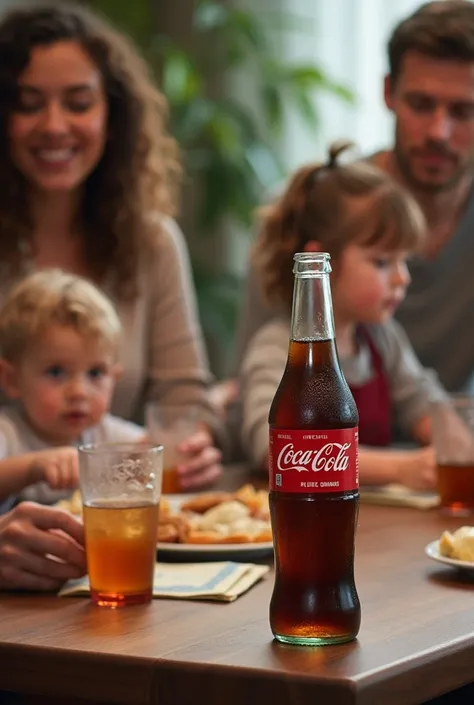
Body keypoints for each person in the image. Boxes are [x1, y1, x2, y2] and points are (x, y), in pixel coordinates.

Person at [0, 2, 222, 492]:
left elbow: (182, 396)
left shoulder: (153, 242)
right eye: (29, 103)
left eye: (78, 103)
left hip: (112, 515)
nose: (55, 126)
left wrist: (191, 446)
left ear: (113, 115)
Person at [235, 0, 474, 400]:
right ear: (388, 92)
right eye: (420, 104)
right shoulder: (305, 211)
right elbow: (262, 399)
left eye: (463, 111)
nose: (438, 131)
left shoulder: (389, 348)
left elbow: (427, 404)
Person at [240, 142, 448, 489]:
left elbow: (425, 406)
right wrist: (402, 469)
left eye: (403, 261)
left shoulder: (382, 338)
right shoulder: (280, 348)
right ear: (320, 260)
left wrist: (453, 439)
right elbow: (273, 447)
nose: (402, 278)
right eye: (382, 262)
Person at [0, 269, 152, 508]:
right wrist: (33, 468)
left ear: (115, 377)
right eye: (56, 372)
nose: (79, 392)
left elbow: (153, 455)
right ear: (11, 380)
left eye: (95, 373)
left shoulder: (105, 435)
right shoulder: (7, 434)